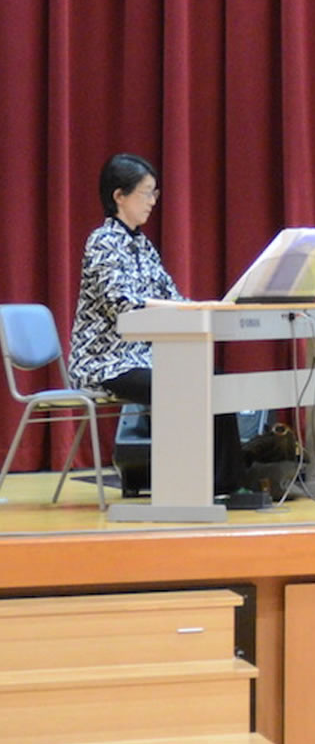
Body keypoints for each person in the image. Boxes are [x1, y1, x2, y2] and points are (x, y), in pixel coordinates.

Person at [65, 153, 260, 507]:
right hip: (105, 362)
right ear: (119, 196)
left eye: (155, 193)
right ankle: (184, 485)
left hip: (143, 357)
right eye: (146, 193)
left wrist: (206, 305)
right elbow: (121, 304)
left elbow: (171, 297)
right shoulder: (102, 241)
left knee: (214, 379)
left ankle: (226, 484)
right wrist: (185, 307)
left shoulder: (143, 245)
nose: (153, 201)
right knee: (179, 384)